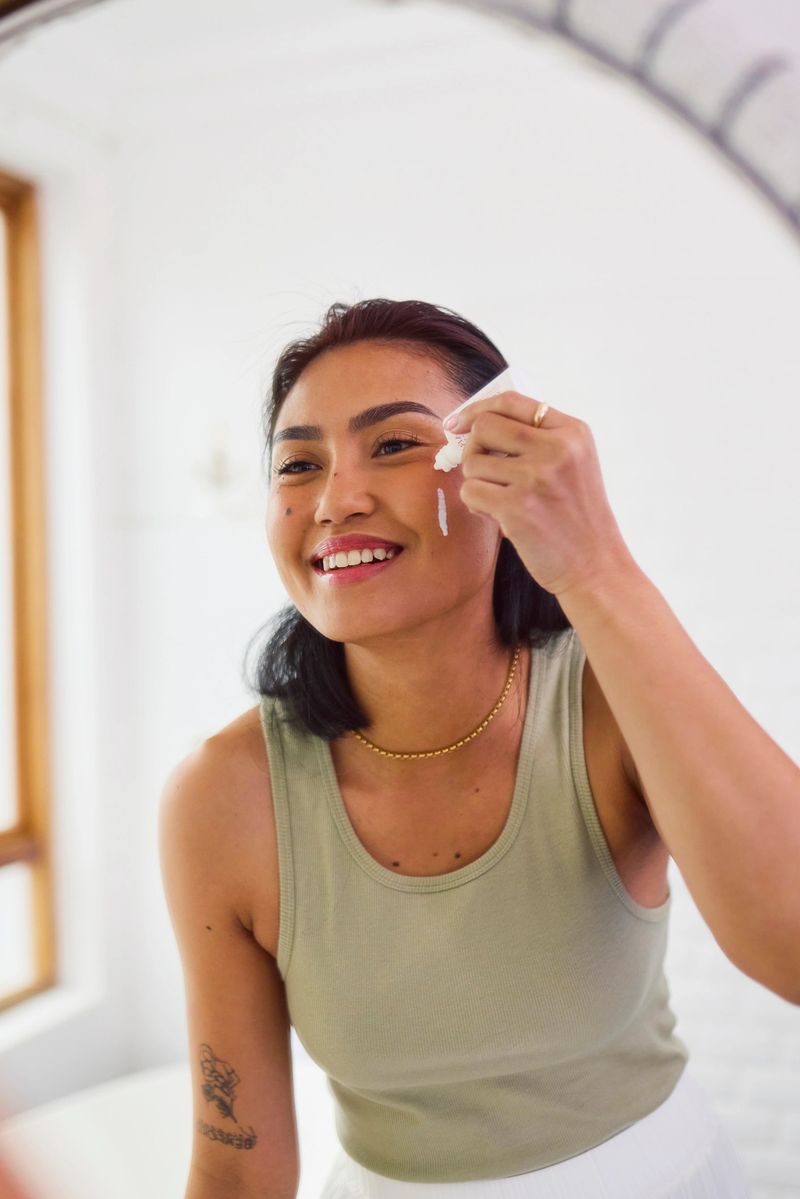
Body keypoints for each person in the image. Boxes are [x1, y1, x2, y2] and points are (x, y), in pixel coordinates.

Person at [160, 297, 781, 1199]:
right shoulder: (224, 795)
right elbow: (235, 1169)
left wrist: (595, 560)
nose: (338, 499)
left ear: (499, 464)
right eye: (300, 463)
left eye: (397, 444)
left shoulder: (606, 700)